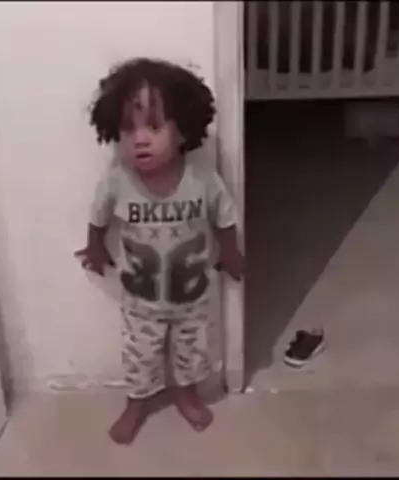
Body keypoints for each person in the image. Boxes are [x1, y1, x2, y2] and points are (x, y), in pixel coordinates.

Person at [75, 58, 244, 445]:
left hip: (193, 299)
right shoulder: (117, 182)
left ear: (183, 128)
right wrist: (95, 248)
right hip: (141, 302)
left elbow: (224, 217)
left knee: (191, 354)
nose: (140, 139)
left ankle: (186, 396)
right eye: (128, 128)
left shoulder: (204, 180)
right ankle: (137, 403)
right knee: (140, 358)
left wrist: (230, 251)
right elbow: (98, 218)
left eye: (154, 127)